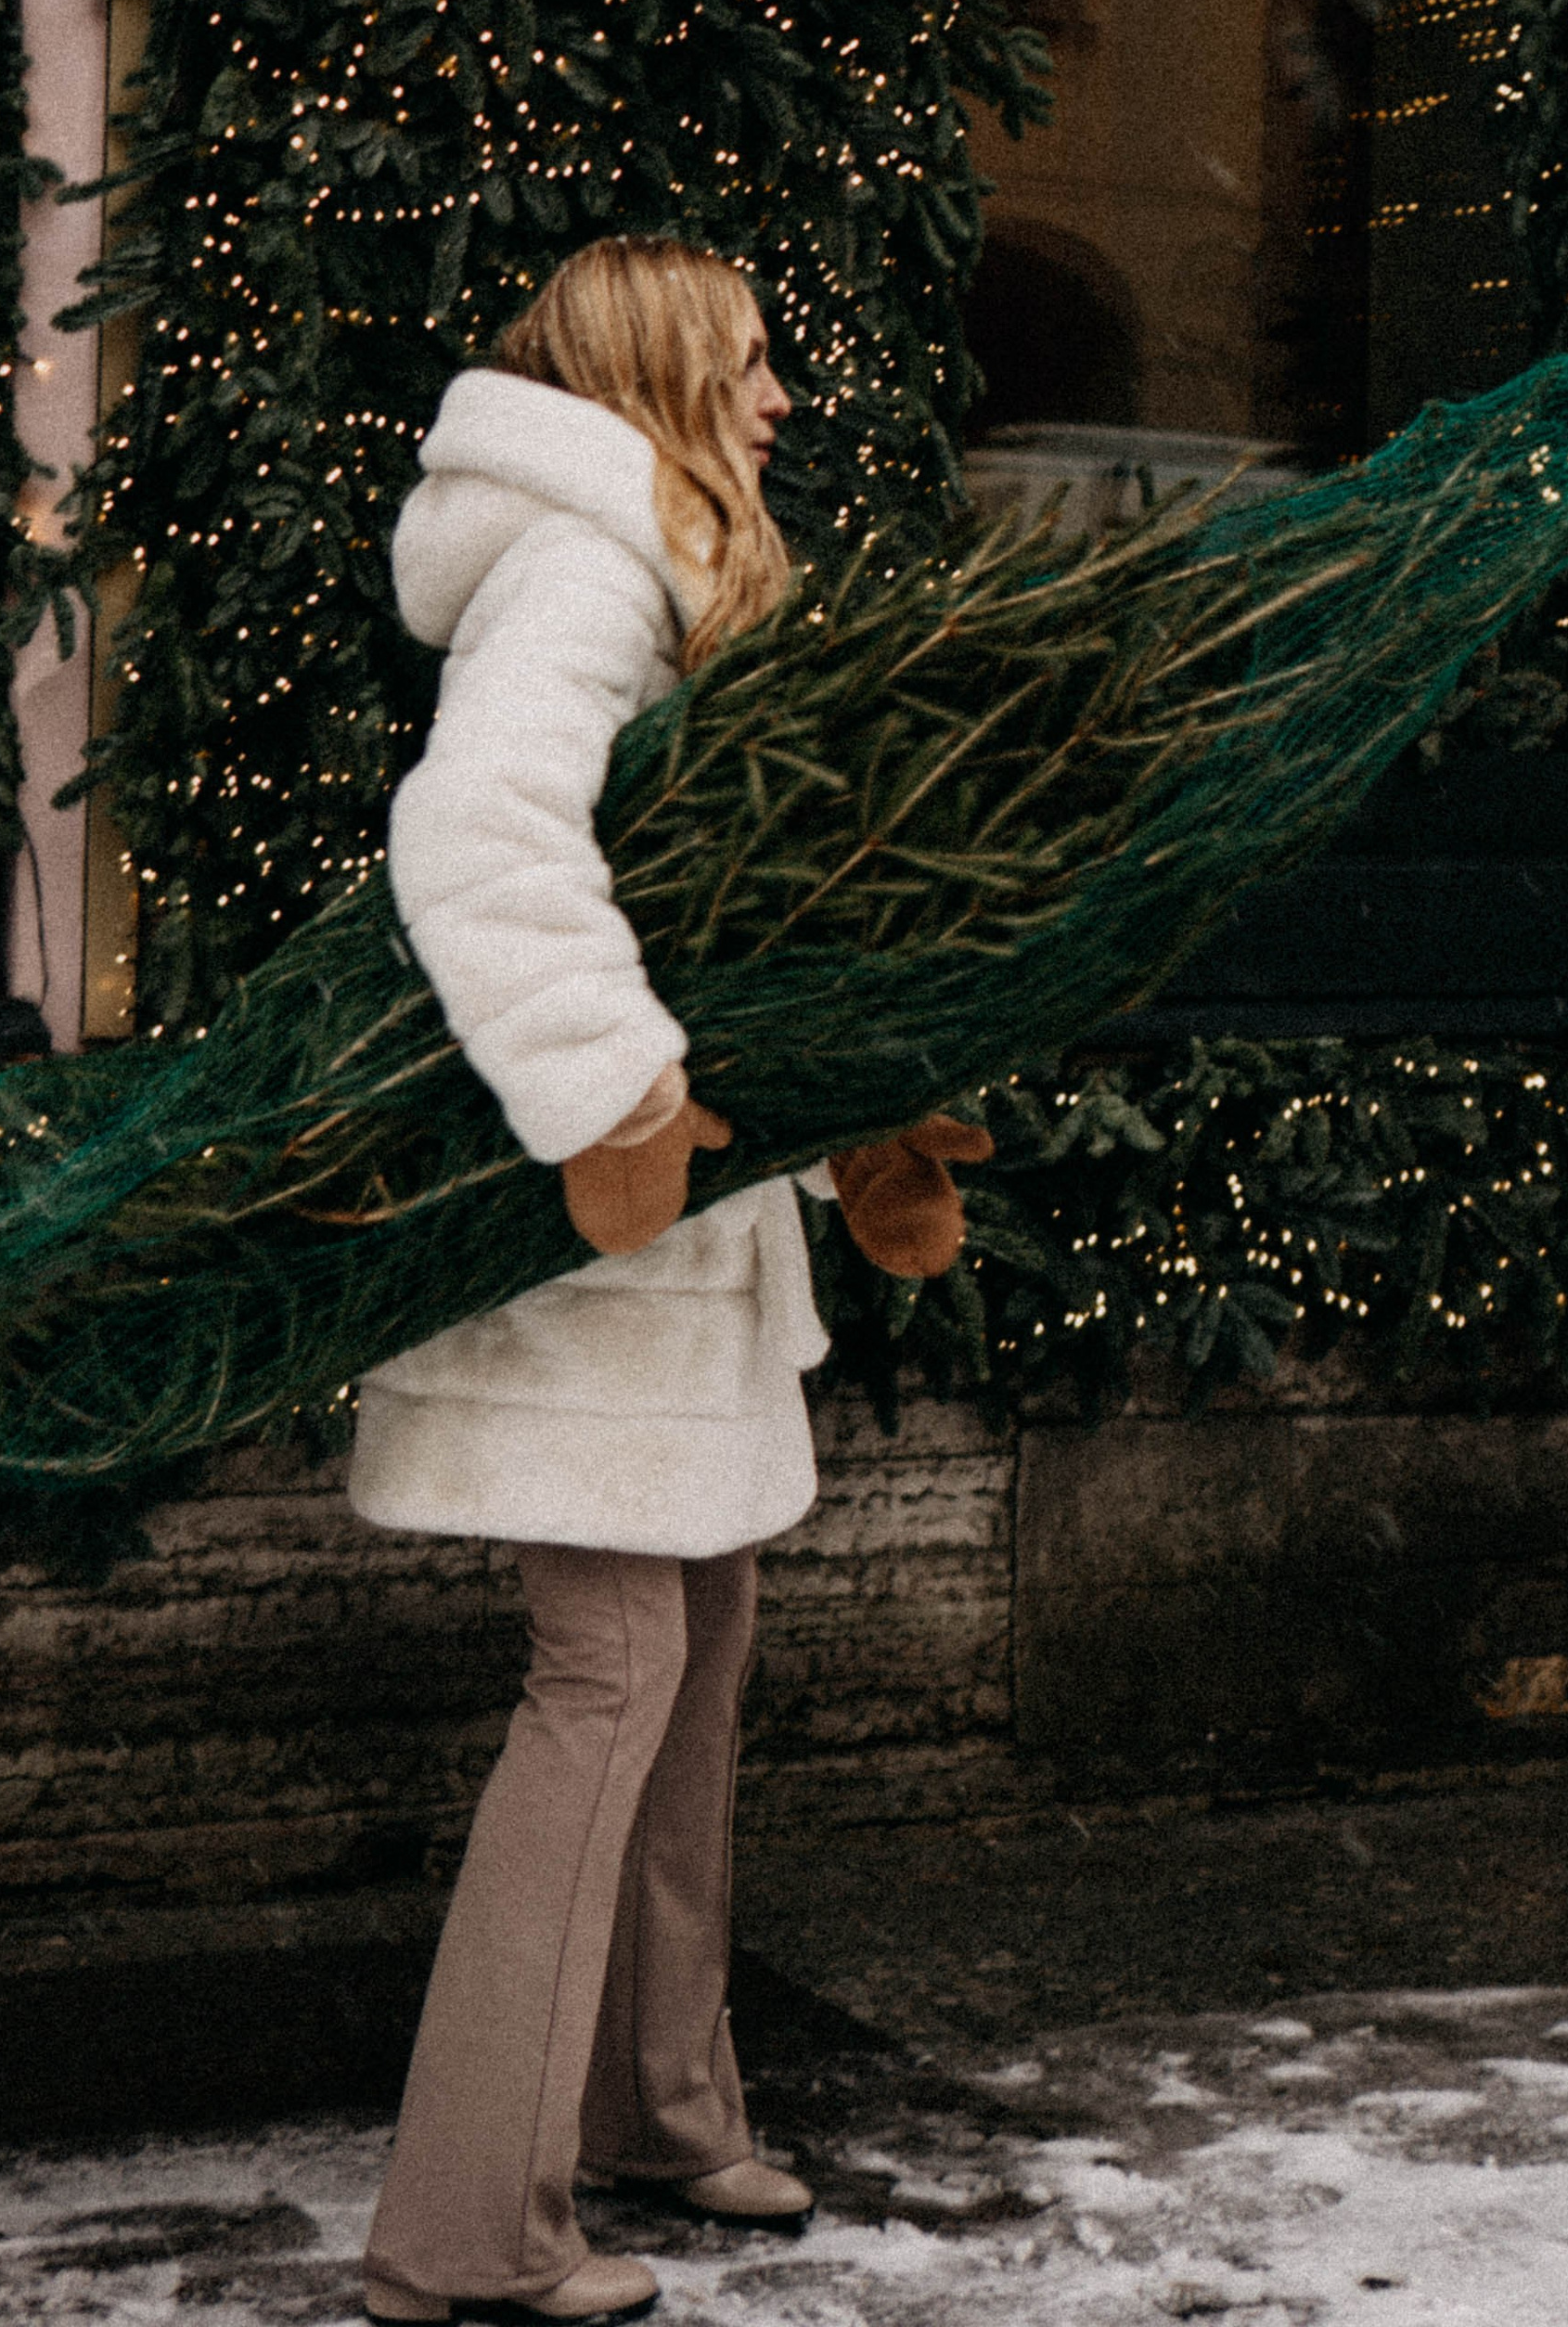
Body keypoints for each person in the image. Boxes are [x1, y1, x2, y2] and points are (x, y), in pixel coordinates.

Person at [350, 234, 991, 2326]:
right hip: (593, 1251)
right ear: (654, 374)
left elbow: (710, 901)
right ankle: (467, 2229)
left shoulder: (657, 565)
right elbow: (475, 835)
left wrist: (847, 1109)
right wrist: (620, 1096)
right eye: (750, 356)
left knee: (692, 1651)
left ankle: (657, 2109)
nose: (785, 394)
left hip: (676, 1264)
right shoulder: (587, 566)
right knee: (609, 1673)